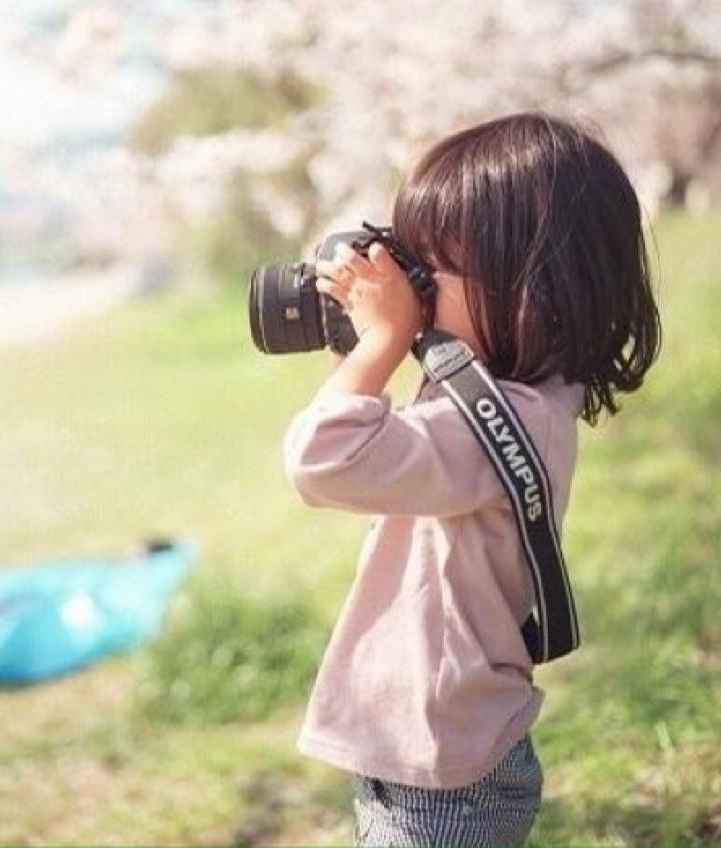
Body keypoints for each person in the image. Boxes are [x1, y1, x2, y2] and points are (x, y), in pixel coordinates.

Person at [283, 114, 660, 847]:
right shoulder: (517, 400)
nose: (413, 292)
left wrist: (385, 338)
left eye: (431, 272)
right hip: (431, 750)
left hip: (444, 776)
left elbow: (322, 459)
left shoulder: (495, 423)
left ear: (529, 283)